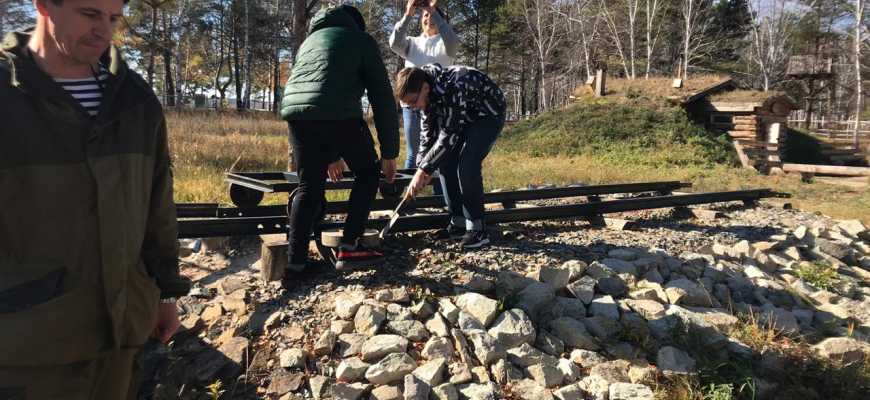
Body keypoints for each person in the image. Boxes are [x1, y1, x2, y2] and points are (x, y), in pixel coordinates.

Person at [0, 0, 190, 397]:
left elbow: (158, 207)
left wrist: (166, 291)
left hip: (120, 335)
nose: (104, 30)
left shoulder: (135, 101)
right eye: (89, 13)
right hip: (25, 344)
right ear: (43, 6)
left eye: (113, 18)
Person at [280, 5, 400, 271]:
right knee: (368, 173)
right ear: (357, 24)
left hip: (296, 115)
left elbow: (315, 93)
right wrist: (390, 154)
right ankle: (350, 247)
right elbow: (381, 98)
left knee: (308, 186)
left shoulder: (309, 42)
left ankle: (295, 264)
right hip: (340, 114)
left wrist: (332, 155)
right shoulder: (360, 40)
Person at [396, 64, 507, 249]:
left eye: (414, 101)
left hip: (488, 115)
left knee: (467, 164)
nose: (414, 108)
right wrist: (420, 168)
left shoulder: (454, 85)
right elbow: (427, 133)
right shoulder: (426, 93)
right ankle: (458, 223)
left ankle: (477, 229)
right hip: (464, 119)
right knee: (445, 163)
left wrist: (425, 169)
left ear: (425, 87)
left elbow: (449, 135)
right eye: (409, 105)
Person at [389, 0, 459, 170]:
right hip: (411, 107)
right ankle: (410, 192)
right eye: (425, 15)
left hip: (438, 105)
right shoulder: (411, 42)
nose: (429, 18)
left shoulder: (446, 44)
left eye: (432, 14)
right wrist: (407, 15)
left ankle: (439, 194)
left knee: (438, 151)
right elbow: (394, 43)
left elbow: (453, 43)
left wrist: (432, 9)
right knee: (413, 152)